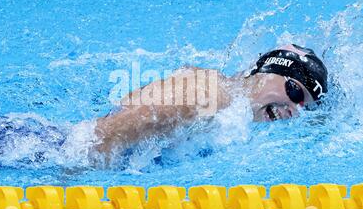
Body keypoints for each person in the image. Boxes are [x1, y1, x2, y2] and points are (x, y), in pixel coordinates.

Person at [92, 43, 328, 162]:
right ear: (268, 72)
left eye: (304, 107)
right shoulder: (208, 93)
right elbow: (105, 135)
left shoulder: (231, 110)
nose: (295, 109)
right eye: (296, 93)